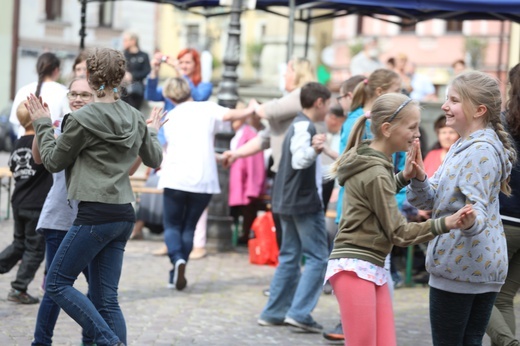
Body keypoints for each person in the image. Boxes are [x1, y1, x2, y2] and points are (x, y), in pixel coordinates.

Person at [26, 47, 164, 346]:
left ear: (89, 75)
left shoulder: (81, 119)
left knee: (57, 282)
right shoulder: (135, 116)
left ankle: (107, 339)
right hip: (123, 215)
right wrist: (151, 131)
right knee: (107, 300)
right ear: (122, 76)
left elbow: (52, 162)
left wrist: (41, 124)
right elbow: (154, 159)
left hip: (94, 215)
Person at [327, 92, 476, 346]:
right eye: (412, 127)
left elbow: (373, 195)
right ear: (387, 129)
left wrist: (403, 177)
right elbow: (399, 233)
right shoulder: (374, 169)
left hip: (369, 265)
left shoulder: (374, 163)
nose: (417, 134)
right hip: (356, 266)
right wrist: (446, 223)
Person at [407, 71, 516, 346]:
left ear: (479, 110)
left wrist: (468, 224)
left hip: (462, 266)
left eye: (454, 100)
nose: (445, 106)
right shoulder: (463, 146)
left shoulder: (480, 151)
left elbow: (475, 210)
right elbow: (430, 202)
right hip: (471, 264)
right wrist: (419, 178)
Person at [323, 68, 403, 342]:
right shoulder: (360, 128)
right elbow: (351, 166)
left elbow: (391, 173)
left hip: (377, 214)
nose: (403, 95)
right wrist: (443, 224)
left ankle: (359, 321)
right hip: (361, 221)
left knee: (381, 274)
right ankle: (353, 321)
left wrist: (401, 189)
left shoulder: (382, 156)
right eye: (399, 90)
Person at [157, 77, 258, 290]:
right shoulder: (206, 108)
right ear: (189, 90)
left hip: (175, 176)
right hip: (203, 179)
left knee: (172, 225)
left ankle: (176, 261)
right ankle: (180, 264)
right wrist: (250, 110)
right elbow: (230, 115)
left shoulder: (170, 115)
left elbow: (165, 145)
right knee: (189, 227)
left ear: (169, 96)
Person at [257, 82, 331, 333]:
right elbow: (301, 160)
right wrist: (315, 148)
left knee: (289, 256)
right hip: (303, 201)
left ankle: (274, 312)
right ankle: (299, 313)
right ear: (319, 102)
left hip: (286, 200)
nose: (329, 109)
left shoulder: (298, 124)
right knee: (318, 257)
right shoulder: (304, 126)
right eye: (328, 104)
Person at [223, 57, 316, 249]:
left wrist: (254, 107)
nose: (284, 75)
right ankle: (289, 273)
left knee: (292, 239)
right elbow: (264, 139)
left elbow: (270, 111)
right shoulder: (292, 101)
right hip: (285, 173)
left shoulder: (302, 95)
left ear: (298, 73)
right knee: (286, 236)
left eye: (288, 71)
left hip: (296, 174)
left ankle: (296, 272)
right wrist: (236, 154)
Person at [31, 77, 95, 346]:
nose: (78, 99)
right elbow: (39, 158)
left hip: (92, 222)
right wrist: (40, 126)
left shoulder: (100, 128)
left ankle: (90, 341)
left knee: (98, 290)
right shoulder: (58, 125)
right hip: (60, 218)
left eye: (85, 95)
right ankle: (41, 342)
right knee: (54, 289)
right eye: (73, 93)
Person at [144, 47, 213, 257]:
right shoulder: (171, 85)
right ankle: (171, 241)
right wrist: (154, 71)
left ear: (196, 65)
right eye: (180, 62)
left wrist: (179, 73)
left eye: (187, 63)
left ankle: (198, 243)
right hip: (169, 143)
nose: (182, 66)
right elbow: (151, 94)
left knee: (197, 194)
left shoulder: (203, 86)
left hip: (193, 144)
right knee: (172, 193)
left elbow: (196, 96)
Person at [0, 103, 52, 304]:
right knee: (35, 248)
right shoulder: (41, 142)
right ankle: (19, 288)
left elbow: (14, 167)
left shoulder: (17, 143)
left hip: (18, 201)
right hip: (36, 204)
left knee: (19, 243)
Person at [486, 63, 520, 346]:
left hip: (503, 221)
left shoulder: (503, 123)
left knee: (476, 294)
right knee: (505, 298)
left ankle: (509, 344)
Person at [228, 107, 266, 245]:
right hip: (240, 177)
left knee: (248, 207)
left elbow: (253, 163)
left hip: (245, 178)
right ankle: (244, 233)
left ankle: (246, 233)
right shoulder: (244, 132)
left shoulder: (249, 134)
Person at [10, 52, 69, 138]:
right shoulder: (64, 92)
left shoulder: (23, 90)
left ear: (38, 69)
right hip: (49, 145)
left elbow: (15, 122)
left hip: (23, 144)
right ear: (56, 70)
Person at [122, 31, 151, 110]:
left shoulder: (143, 55)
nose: (123, 43)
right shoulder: (122, 55)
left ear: (133, 41)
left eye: (126, 40)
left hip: (137, 91)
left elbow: (147, 71)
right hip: (123, 90)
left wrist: (132, 75)